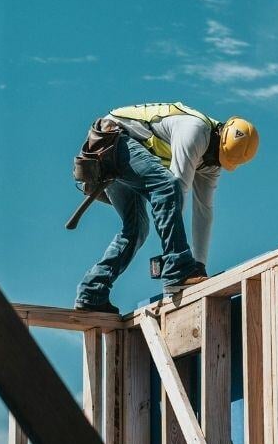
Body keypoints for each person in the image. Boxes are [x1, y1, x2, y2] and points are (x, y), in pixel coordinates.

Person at [74, 102, 258, 313]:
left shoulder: (212, 162)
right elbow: (175, 190)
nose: (212, 162)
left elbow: (203, 212)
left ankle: (92, 292)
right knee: (167, 186)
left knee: (136, 229)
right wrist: (178, 267)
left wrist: (199, 266)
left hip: (122, 153)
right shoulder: (195, 130)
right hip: (111, 140)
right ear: (219, 134)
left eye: (219, 160)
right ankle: (177, 268)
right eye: (215, 155)